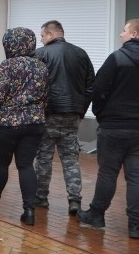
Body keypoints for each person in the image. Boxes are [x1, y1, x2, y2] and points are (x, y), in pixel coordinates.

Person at [77, 19, 139, 239]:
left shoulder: (117, 59)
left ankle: (97, 215)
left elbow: (99, 90)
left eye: (124, 30)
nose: (121, 34)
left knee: (108, 173)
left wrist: (102, 114)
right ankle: (136, 226)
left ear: (135, 34)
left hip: (115, 126)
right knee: (138, 177)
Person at [0, 27, 49, 226]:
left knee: (1, 163)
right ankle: (29, 210)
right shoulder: (41, 66)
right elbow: (46, 96)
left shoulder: (7, 66)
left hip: (7, 124)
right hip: (34, 123)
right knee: (25, 165)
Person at [33, 20, 95, 215]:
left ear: (51, 34)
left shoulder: (41, 54)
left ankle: (41, 197)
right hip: (72, 115)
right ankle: (74, 200)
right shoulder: (81, 54)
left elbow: (34, 86)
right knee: (70, 159)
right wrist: (80, 111)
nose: (41, 40)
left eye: (42, 36)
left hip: (48, 114)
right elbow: (90, 86)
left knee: (44, 157)